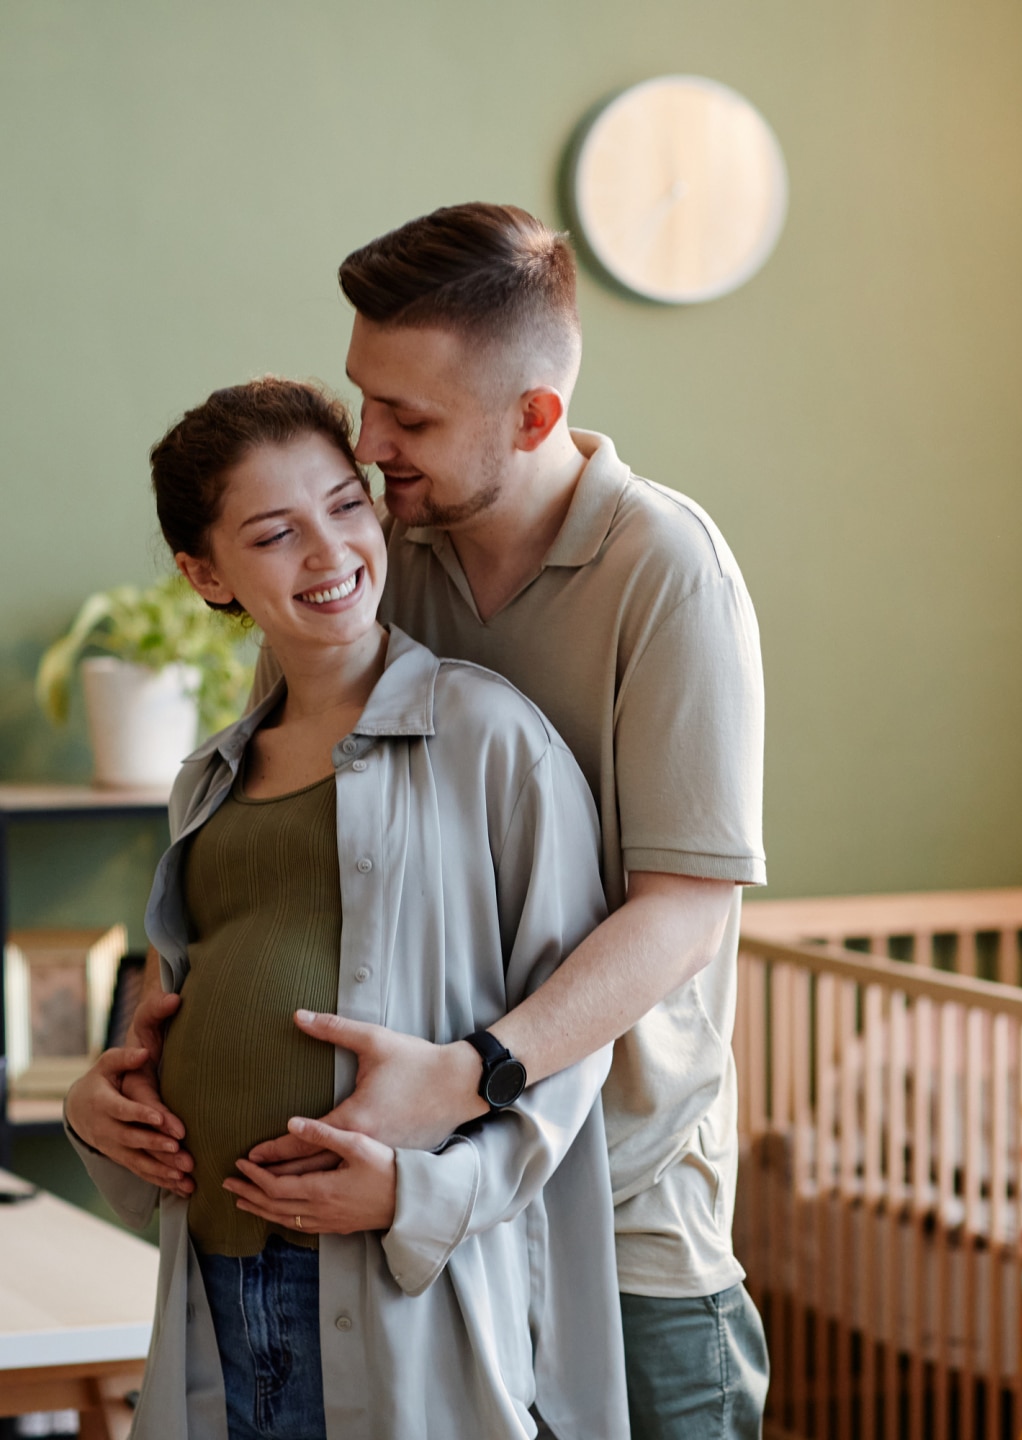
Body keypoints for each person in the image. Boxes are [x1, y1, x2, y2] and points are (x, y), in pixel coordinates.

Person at [81, 202, 770, 1438]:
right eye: (366, 399)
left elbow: (684, 915)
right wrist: (162, 1014)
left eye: (411, 420)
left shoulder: (662, 568)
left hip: (619, 1210)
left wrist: (467, 1080)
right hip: (423, 1232)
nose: (371, 447)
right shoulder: (386, 542)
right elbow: (258, 824)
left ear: (534, 419)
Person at [64, 378, 627, 1440]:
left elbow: (574, 1045)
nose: (328, 554)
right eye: (274, 534)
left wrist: (417, 1197)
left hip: (391, 1284)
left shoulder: (488, 740)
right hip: (218, 1277)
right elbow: (169, 1012)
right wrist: (99, 1107)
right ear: (203, 573)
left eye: (345, 505)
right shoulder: (207, 781)